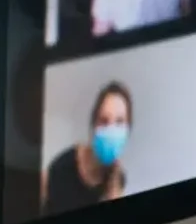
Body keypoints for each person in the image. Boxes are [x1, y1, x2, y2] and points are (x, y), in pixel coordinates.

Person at [41, 83, 131, 216]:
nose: (111, 130)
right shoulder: (61, 168)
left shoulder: (119, 178)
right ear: (93, 126)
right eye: (104, 121)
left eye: (119, 122)